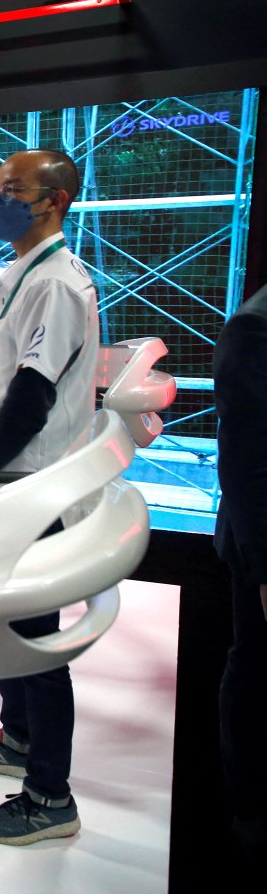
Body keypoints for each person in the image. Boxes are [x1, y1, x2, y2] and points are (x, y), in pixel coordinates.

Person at [0, 150, 99, 846]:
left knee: (37, 643)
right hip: (14, 482)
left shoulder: (58, 286)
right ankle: (18, 738)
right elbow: (7, 384)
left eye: (13, 190)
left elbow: (32, 396)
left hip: (36, 487)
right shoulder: (24, 275)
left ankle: (49, 796)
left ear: (55, 200)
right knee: (11, 619)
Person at [214, 285, 267, 862]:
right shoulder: (254, 329)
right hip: (261, 546)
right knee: (255, 676)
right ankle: (250, 817)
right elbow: (248, 468)